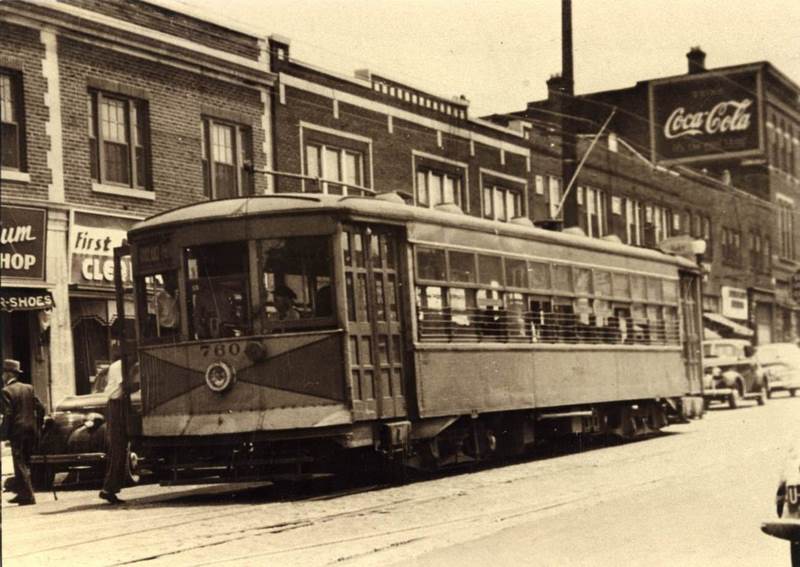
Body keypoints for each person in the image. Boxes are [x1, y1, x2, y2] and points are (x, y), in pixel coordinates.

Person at [1, 359, 45, 505]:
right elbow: (41, 408)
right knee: (25, 462)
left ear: (7, 375)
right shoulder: (28, 388)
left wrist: (3, 434)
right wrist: (38, 424)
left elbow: (8, 414)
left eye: (3, 373)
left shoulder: (6, 391)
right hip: (31, 430)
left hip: (17, 431)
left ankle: (28, 495)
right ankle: (22, 493)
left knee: (19, 462)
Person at [98, 359, 139, 505]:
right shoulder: (122, 366)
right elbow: (125, 386)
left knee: (120, 449)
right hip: (117, 406)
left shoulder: (120, 364)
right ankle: (108, 489)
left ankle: (111, 489)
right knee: (118, 449)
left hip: (119, 405)